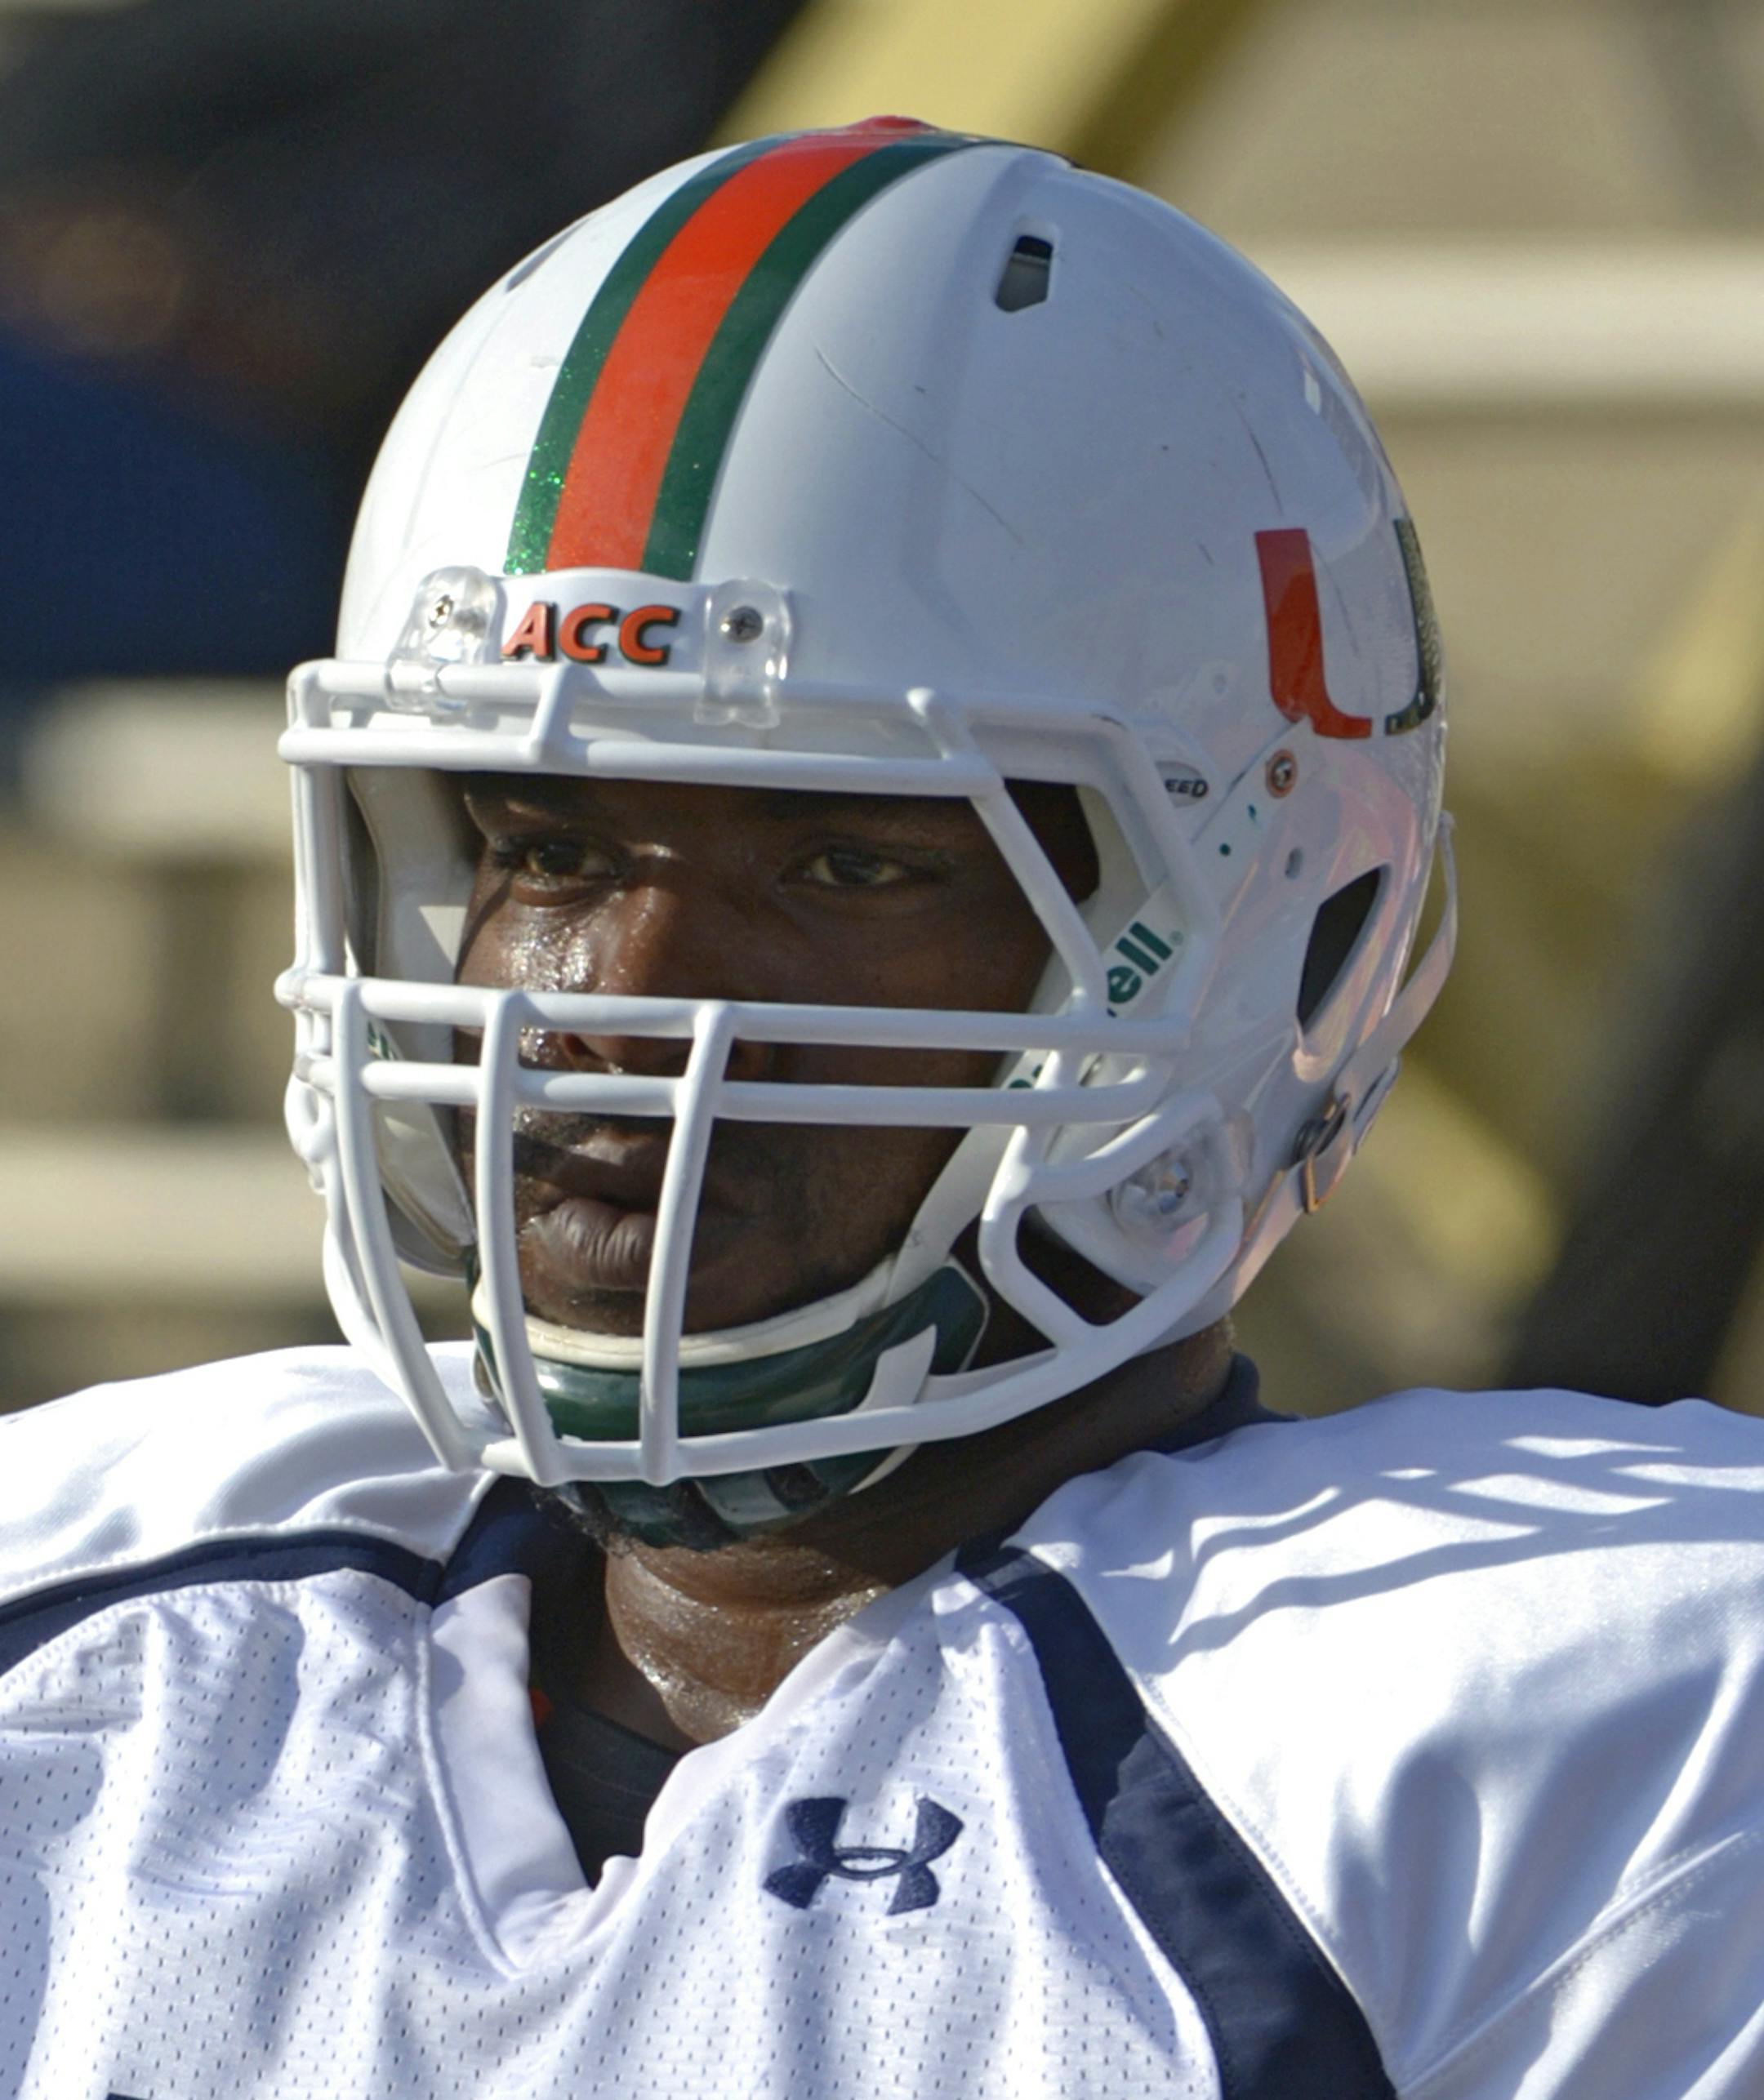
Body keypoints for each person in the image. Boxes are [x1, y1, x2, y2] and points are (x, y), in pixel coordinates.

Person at [3, 117, 1762, 2100]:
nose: (619, 1000)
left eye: (844, 862)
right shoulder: (86, 1638)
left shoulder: (1574, 1724)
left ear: (1274, 933)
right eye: (544, 842)